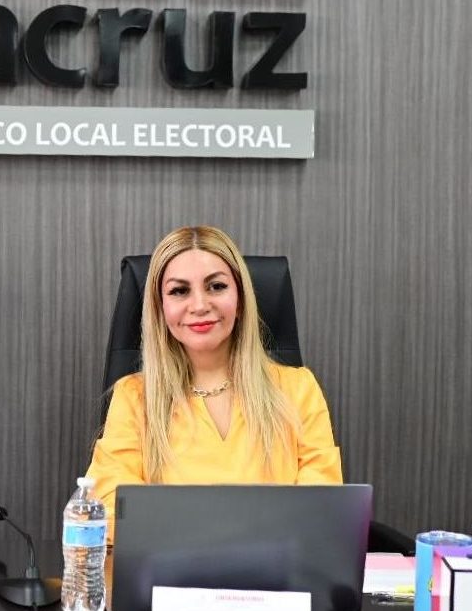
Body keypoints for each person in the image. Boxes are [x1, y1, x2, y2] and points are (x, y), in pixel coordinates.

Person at [86, 226, 342, 541]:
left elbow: (322, 508)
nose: (199, 305)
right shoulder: (134, 397)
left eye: (216, 286)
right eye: (179, 291)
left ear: (241, 300)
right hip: (169, 579)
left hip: (274, 581)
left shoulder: (298, 389)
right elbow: (111, 511)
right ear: (160, 309)